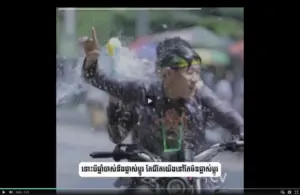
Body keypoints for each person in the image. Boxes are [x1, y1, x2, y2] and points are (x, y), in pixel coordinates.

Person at [80, 27, 243, 161]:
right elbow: (98, 80)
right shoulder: (145, 92)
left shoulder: (201, 95)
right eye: (189, 72)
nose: (195, 79)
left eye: (197, 72)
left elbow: (231, 118)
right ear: (166, 73)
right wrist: (91, 61)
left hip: (193, 175)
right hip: (148, 176)